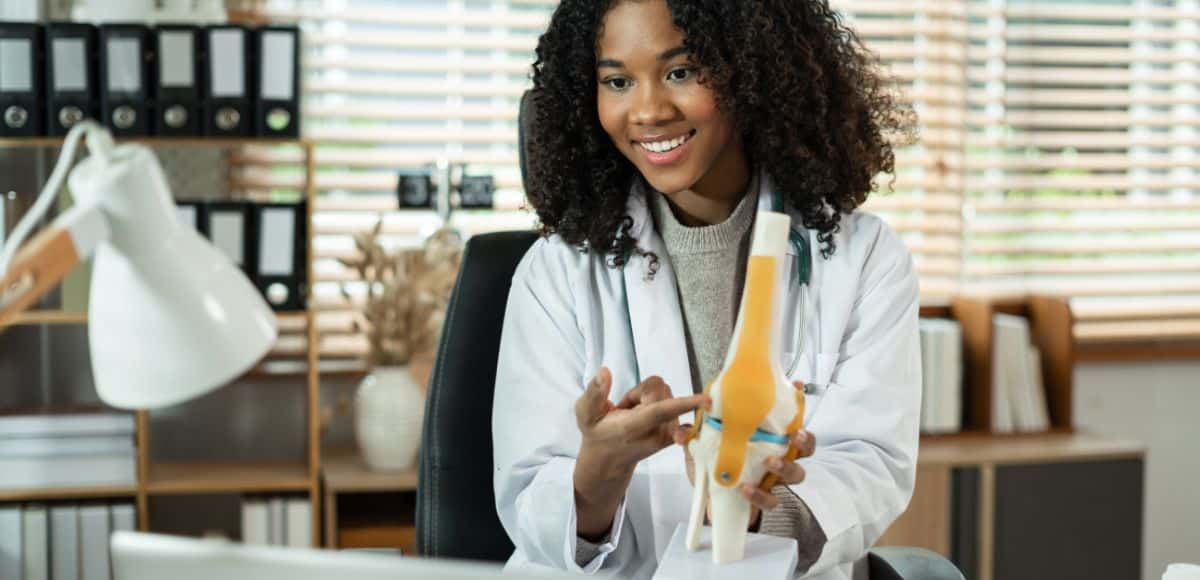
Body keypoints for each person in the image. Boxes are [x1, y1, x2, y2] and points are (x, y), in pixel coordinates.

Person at [492, 0, 920, 578]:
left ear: (753, 70)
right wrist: (598, 475)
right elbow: (530, 499)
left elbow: (871, 465)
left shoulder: (860, 257)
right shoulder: (556, 273)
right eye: (617, 81)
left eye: (681, 72)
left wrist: (755, 508)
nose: (647, 110)